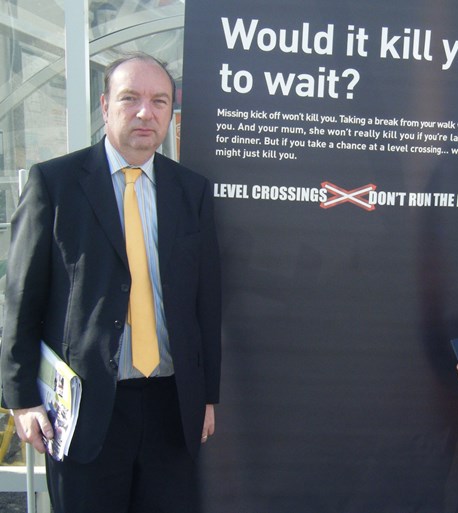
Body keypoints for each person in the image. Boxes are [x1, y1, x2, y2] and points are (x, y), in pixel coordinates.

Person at [0, 53, 221, 513]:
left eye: (159, 101)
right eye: (130, 98)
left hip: (171, 407)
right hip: (86, 414)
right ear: (105, 106)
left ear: (171, 112)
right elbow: (21, 300)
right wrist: (21, 401)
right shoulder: (54, 184)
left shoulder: (191, 190)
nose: (146, 112)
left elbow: (205, 302)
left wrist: (207, 397)